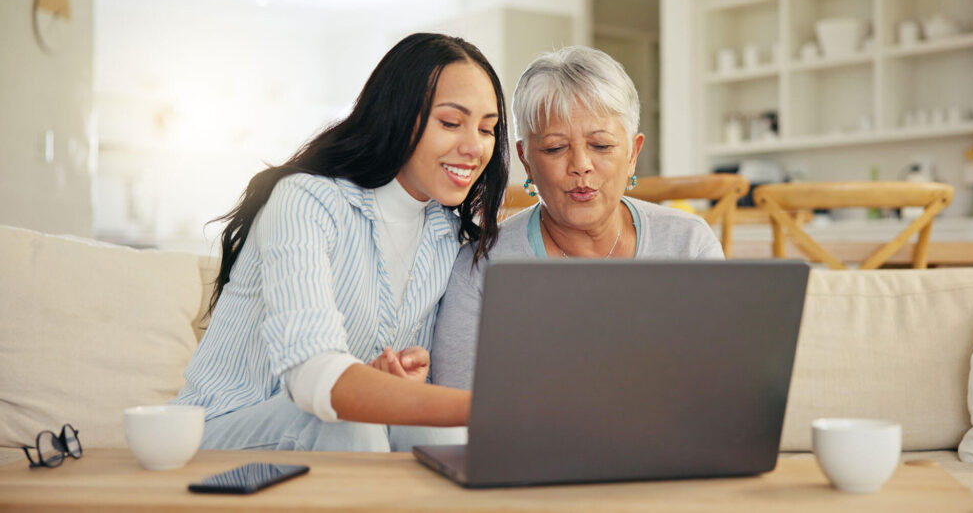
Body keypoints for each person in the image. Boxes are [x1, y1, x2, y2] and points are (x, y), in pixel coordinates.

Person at [170, 33, 509, 452]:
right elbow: (313, 376)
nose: (475, 147)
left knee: (440, 434)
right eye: (450, 123)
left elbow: (383, 382)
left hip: (330, 443)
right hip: (217, 435)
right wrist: (490, 410)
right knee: (349, 422)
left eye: (488, 129)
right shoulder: (307, 202)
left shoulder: (447, 235)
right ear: (398, 116)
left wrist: (395, 380)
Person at [432, 46, 724, 391]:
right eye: (555, 148)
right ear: (526, 161)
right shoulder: (481, 266)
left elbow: (721, 381)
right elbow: (455, 404)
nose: (581, 165)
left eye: (601, 146)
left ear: (633, 154)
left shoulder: (688, 243)